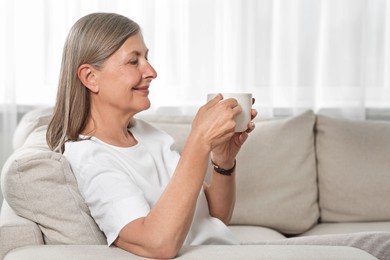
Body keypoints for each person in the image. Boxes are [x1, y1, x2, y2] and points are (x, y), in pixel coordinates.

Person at [47, 12, 389, 260]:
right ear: (90, 77)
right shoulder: (91, 158)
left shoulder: (148, 136)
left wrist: (222, 161)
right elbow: (158, 244)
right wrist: (198, 140)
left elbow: (216, 215)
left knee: (380, 244)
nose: (151, 71)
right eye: (133, 61)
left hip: (226, 250)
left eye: (147, 58)